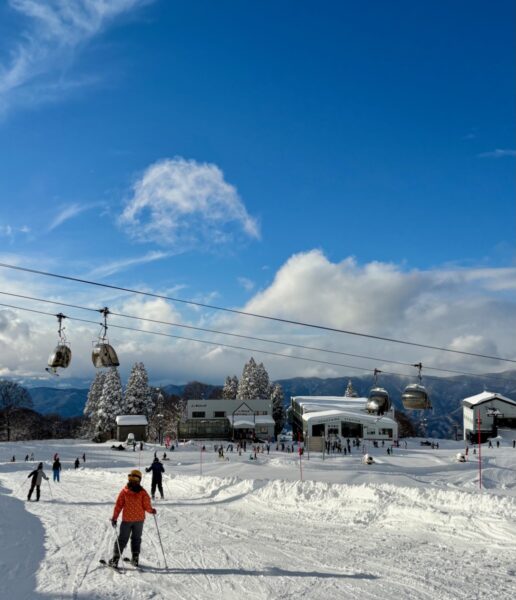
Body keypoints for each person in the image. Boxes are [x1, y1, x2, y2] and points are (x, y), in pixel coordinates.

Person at [109, 470, 156, 567]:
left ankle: (115, 559)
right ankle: (135, 558)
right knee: (136, 539)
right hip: (139, 520)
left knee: (122, 539)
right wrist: (151, 510)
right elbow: (147, 506)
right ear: (139, 480)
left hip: (127, 520)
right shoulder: (143, 492)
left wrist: (114, 518)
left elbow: (118, 506)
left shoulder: (125, 491)